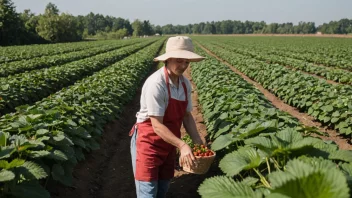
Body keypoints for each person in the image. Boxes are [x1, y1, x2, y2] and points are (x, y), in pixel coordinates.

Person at [129, 36, 206, 198]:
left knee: (163, 188)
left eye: (187, 62)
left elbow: (186, 115)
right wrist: (183, 145)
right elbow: (156, 125)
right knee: (148, 192)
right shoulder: (156, 84)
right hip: (148, 144)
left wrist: (198, 140)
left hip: (169, 143)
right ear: (168, 59)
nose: (183, 66)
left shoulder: (185, 84)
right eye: (179, 61)